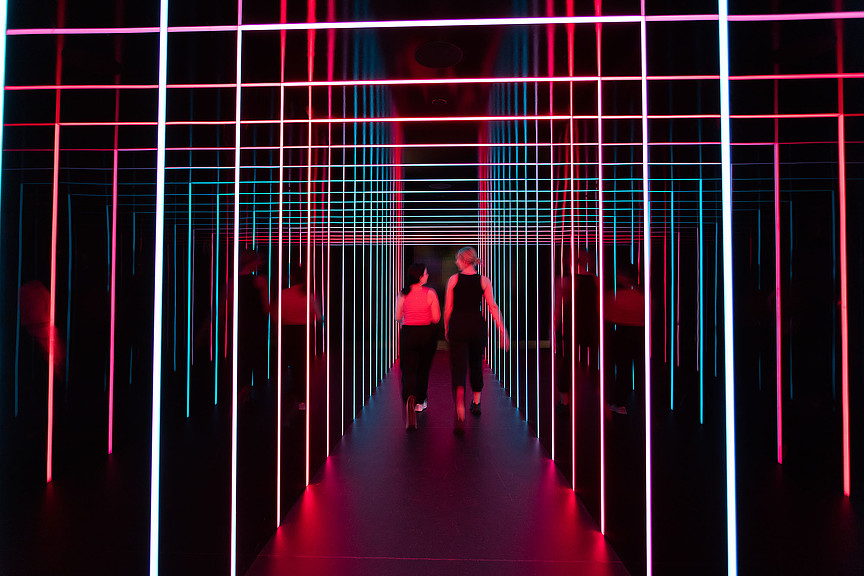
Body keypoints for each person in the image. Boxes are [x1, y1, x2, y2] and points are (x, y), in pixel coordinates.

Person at [444, 247, 509, 433]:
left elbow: (448, 308)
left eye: (457, 259)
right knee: (476, 364)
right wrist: (502, 331)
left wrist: (447, 328)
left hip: (458, 325)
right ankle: (477, 402)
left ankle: (460, 404)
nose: (456, 262)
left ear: (464, 260)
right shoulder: (484, 280)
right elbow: (493, 307)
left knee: (458, 367)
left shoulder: (453, 279)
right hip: (476, 326)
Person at [395, 263, 440, 430]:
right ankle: (420, 402)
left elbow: (397, 316)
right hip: (426, 334)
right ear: (420, 277)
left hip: (408, 333)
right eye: (425, 274)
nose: (427, 276)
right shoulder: (430, 293)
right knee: (423, 369)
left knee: (408, 370)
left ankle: (409, 399)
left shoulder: (403, 294)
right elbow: (436, 318)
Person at [276, 264, 322, 410]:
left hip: (287, 332)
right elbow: (319, 316)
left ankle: (284, 399)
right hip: (304, 332)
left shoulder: (284, 294)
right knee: (302, 367)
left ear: (291, 277)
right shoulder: (309, 295)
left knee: (285, 366)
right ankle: (302, 400)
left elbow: (277, 317)